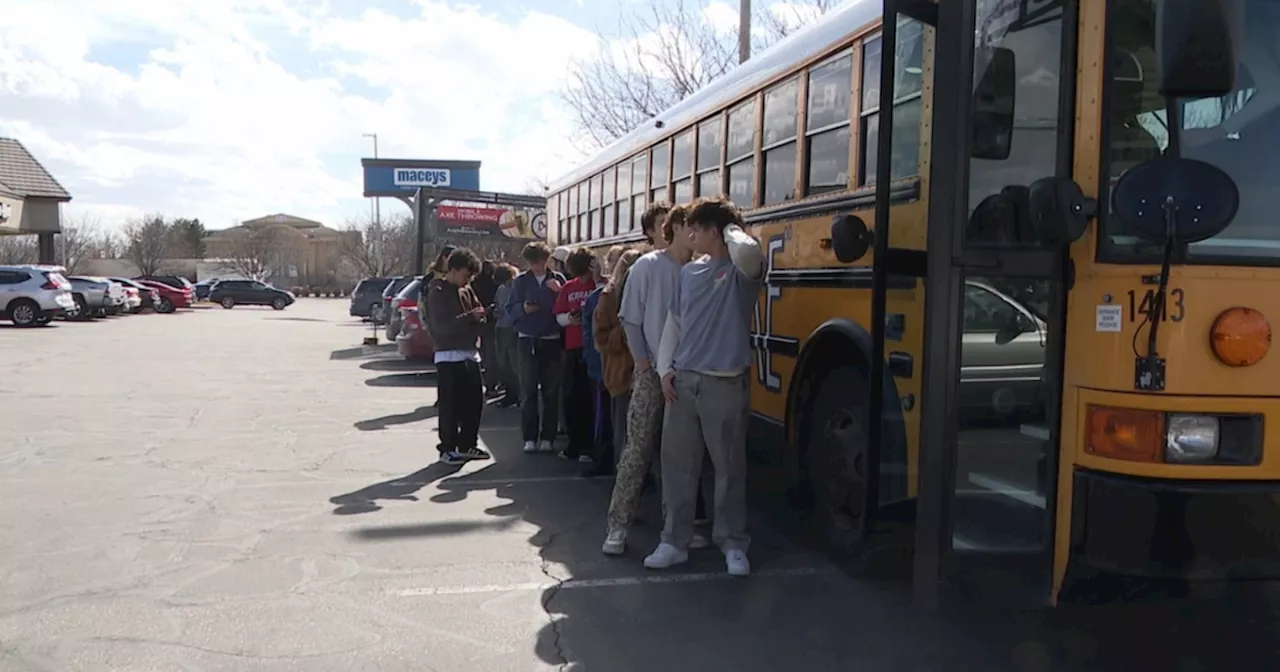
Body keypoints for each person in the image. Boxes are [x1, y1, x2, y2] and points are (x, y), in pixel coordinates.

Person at [645, 197, 763, 577]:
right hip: (685, 381)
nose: (688, 233)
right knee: (677, 466)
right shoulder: (688, 274)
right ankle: (673, 541)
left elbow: (747, 250)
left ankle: (732, 542)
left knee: (729, 468)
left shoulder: (742, 270)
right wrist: (665, 370)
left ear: (716, 232)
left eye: (697, 227)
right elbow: (674, 326)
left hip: (725, 382)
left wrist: (730, 226)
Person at [601, 203, 708, 556]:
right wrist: (644, 365)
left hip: (687, 371)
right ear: (675, 228)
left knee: (680, 456)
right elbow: (629, 319)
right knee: (638, 450)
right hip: (651, 374)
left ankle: (676, 527)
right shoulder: (647, 266)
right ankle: (618, 525)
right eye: (688, 226)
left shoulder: (698, 270)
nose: (695, 234)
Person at [423, 247, 492, 466]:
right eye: (465, 275)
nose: (467, 280)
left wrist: (477, 320)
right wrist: (470, 319)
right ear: (452, 270)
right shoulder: (438, 292)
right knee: (450, 405)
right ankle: (448, 447)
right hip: (448, 356)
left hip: (470, 354)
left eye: (471, 276)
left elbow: (478, 318)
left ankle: (467, 444)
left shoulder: (467, 291)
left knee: (475, 403)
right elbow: (441, 327)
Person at [506, 241, 566, 453]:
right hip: (527, 339)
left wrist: (559, 293)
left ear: (547, 259)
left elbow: (568, 307)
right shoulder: (521, 281)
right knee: (528, 390)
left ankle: (548, 437)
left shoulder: (558, 279)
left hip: (551, 338)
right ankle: (529, 437)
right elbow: (510, 308)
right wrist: (523, 308)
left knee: (550, 391)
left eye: (541, 261)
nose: (538, 266)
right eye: (533, 262)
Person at [591, 249, 642, 477]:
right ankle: (624, 483)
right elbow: (600, 339)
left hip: (648, 373)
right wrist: (628, 327)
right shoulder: (608, 297)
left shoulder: (648, 294)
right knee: (624, 431)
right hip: (622, 375)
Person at [553, 247, 599, 463]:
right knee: (571, 398)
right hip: (572, 348)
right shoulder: (568, 287)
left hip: (594, 349)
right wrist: (570, 320)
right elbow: (558, 316)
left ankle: (590, 446)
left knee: (590, 398)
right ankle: (575, 443)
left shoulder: (598, 285)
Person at [491, 263, 521, 408]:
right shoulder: (500, 289)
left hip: (513, 328)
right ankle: (509, 394)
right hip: (501, 327)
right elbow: (497, 304)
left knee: (515, 363)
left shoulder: (518, 286)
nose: (506, 284)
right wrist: (496, 311)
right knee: (504, 363)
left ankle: (519, 395)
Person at [472, 260, 501, 398]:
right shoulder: (494, 284)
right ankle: (491, 385)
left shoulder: (475, 283)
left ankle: (490, 384)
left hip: (481, 321)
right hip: (492, 321)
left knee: (486, 354)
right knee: (491, 355)